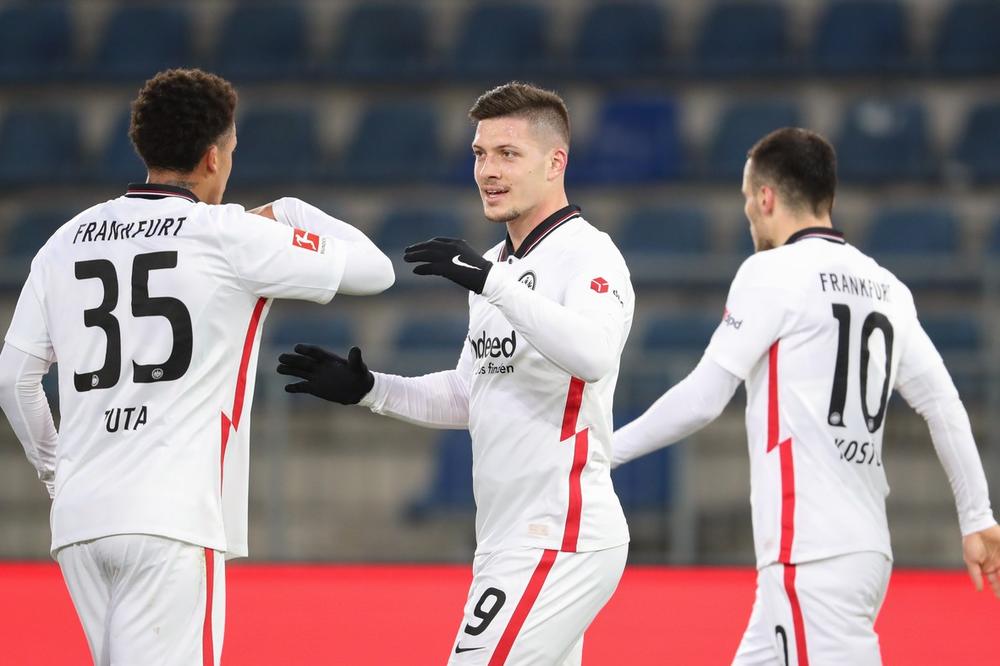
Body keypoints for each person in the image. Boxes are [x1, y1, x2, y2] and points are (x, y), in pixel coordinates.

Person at [0, 68, 394, 665]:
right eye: (231, 150)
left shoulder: (65, 240)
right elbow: (376, 270)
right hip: (172, 514)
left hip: (81, 520)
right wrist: (289, 211)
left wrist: (57, 471)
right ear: (213, 157)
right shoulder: (227, 233)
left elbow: (14, 378)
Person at [612, 127, 1000, 665]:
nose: (747, 212)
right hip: (861, 548)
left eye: (747, 199)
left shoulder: (771, 272)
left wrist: (604, 451)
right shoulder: (887, 287)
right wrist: (977, 516)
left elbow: (703, 398)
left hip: (809, 551)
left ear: (766, 197)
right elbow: (943, 404)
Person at [278, 82, 633, 665]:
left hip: (559, 535)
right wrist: (370, 389)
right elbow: (472, 393)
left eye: (508, 154)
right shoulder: (494, 265)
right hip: (505, 537)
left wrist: (492, 283)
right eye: (480, 154)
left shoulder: (589, 255)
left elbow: (595, 357)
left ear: (555, 163)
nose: (488, 171)